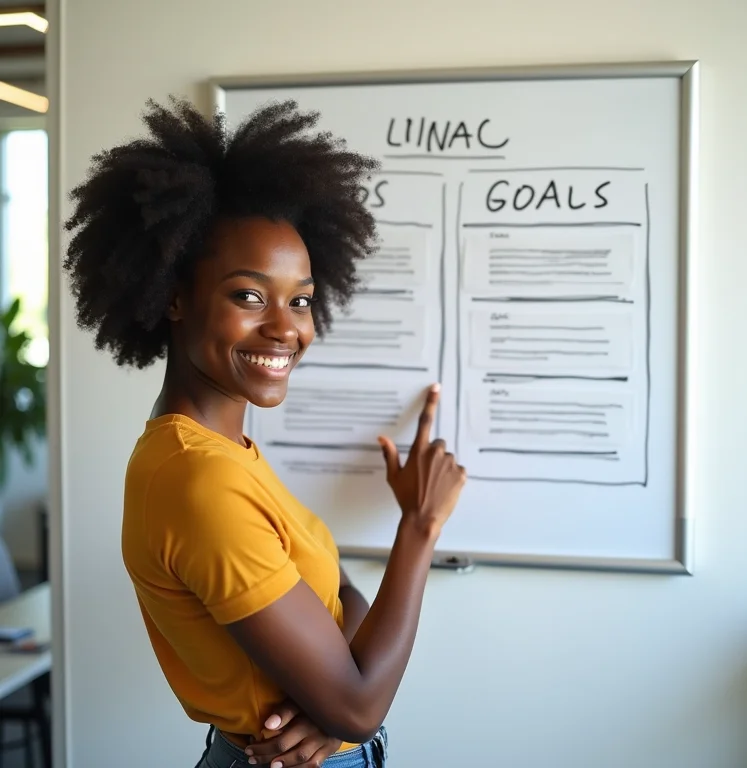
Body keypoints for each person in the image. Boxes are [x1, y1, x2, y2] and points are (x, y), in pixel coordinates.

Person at [63, 97, 466, 768]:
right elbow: (360, 705)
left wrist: (331, 707)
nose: (287, 329)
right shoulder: (200, 479)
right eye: (249, 296)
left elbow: (342, 602)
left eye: (300, 299)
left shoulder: (224, 455)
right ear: (173, 296)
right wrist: (419, 525)